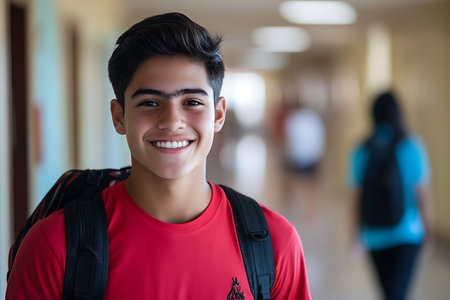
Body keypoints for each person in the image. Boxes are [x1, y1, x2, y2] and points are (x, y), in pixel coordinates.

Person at [6, 12, 311, 299]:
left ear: (218, 115)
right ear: (119, 116)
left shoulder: (273, 244)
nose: (172, 121)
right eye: (150, 103)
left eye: (192, 102)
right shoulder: (54, 247)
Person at [349, 91, 434, 300]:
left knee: (388, 293)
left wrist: (355, 235)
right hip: (408, 233)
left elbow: (356, 199)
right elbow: (423, 195)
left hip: (374, 235)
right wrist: (429, 233)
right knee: (397, 294)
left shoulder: (361, 150)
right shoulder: (411, 146)